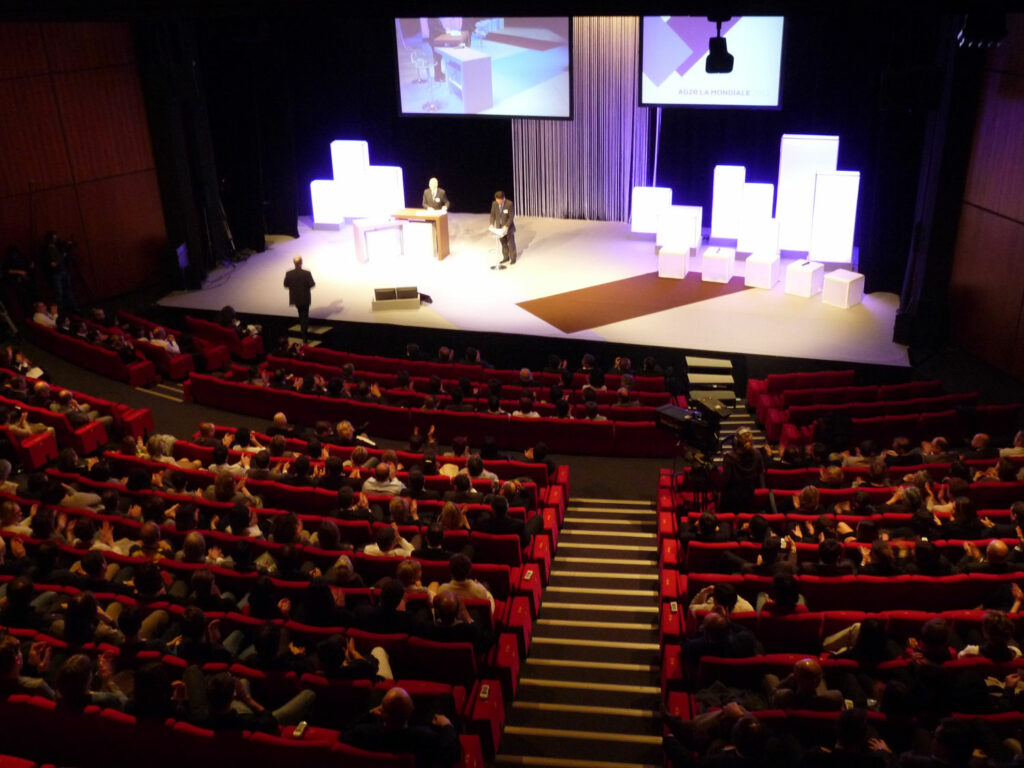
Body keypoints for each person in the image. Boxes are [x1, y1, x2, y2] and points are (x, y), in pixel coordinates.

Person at [282, 255, 315, 344]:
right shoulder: (306, 273)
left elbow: (285, 285)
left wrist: (294, 287)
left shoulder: (289, 273)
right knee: (304, 316)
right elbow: (312, 284)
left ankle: (304, 334)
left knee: (301, 315)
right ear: (301, 262)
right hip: (305, 297)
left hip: (295, 298)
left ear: (294, 263)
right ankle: (304, 337)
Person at [489, 190, 517, 267]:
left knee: (511, 243)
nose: (498, 202)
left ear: (503, 198)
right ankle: (506, 257)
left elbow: (511, 216)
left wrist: (506, 226)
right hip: (499, 228)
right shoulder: (494, 204)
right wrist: (491, 223)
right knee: (503, 243)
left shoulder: (509, 204)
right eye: (497, 200)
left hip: (508, 228)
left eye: (499, 201)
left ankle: (513, 258)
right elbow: (492, 215)